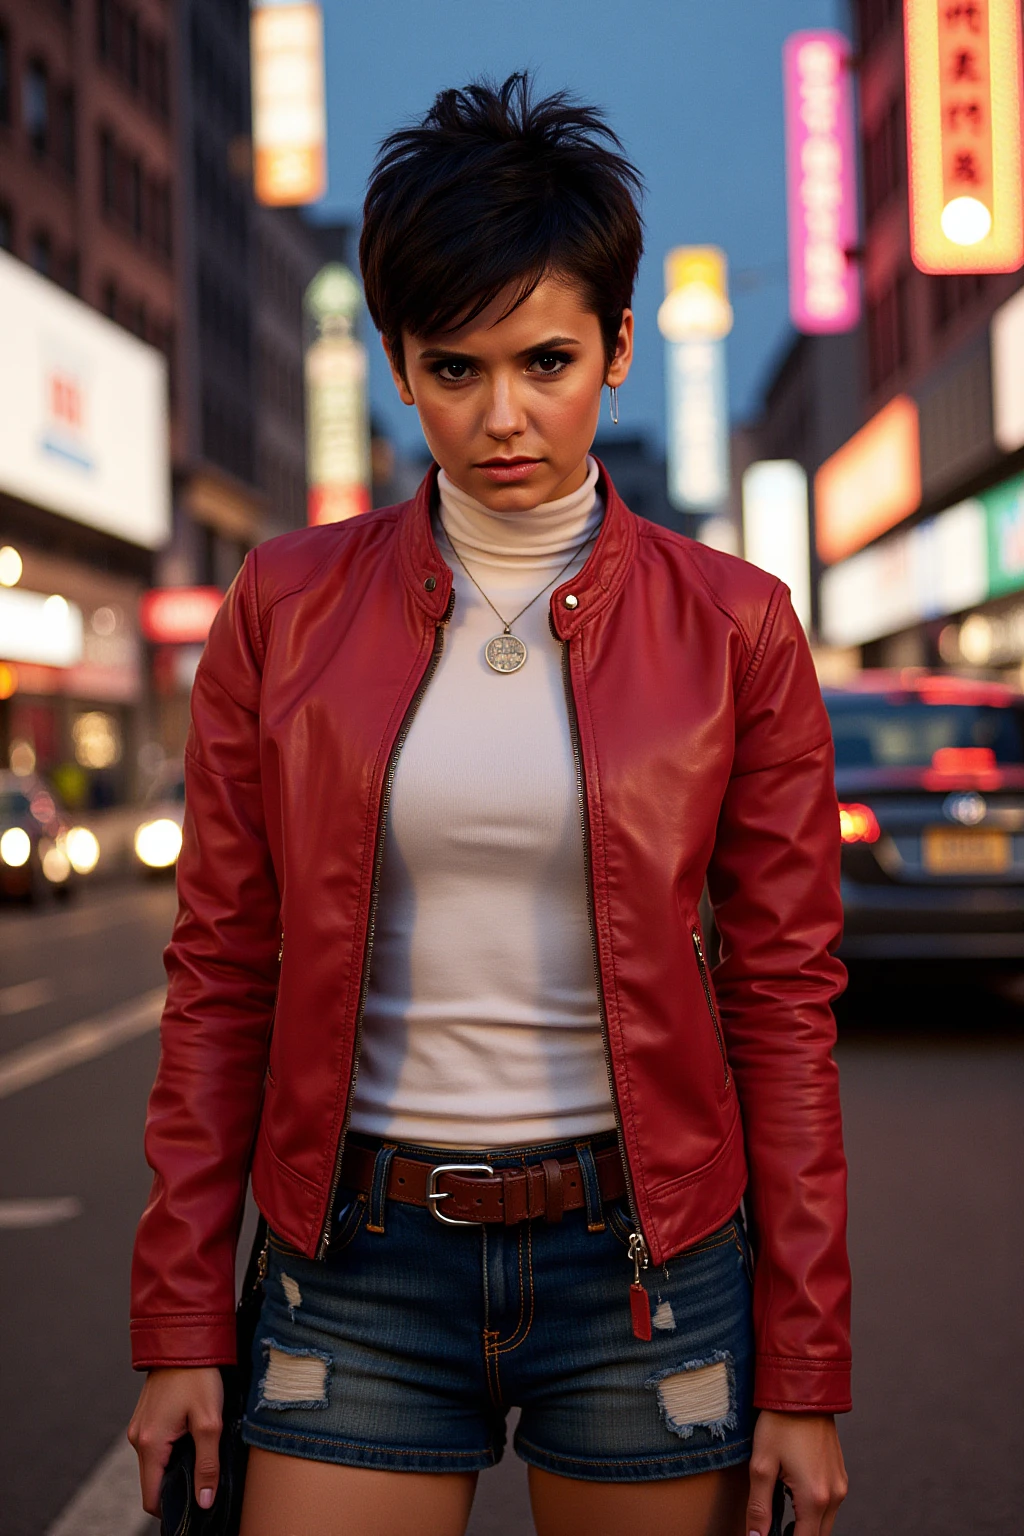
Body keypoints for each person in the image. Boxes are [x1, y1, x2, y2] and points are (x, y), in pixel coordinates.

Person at [128, 74, 851, 1536]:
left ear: (621, 348)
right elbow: (220, 976)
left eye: (548, 361)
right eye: (455, 369)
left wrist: (811, 1368)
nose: (503, 417)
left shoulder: (739, 627)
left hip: (647, 1256)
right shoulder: (282, 609)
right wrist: (181, 1322)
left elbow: (781, 996)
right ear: (398, 363)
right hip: (360, 1252)